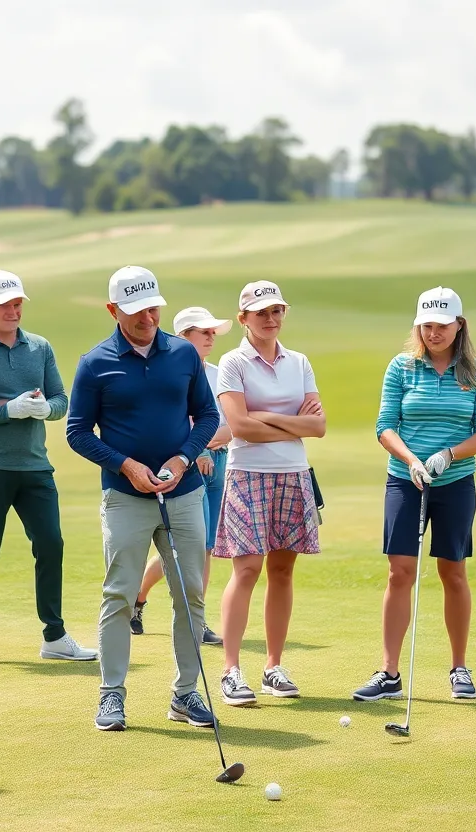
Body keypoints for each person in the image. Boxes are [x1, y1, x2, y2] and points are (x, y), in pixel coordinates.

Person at [67, 265, 220, 732]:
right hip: (125, 497)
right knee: (118, 595)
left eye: (154, 308)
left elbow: (208, 416)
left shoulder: (183, 355)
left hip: (184, 492)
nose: (148, 318)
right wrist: (125, 465)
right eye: (137, 311)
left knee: (190, 595)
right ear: (114, 310)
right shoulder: (95, 363)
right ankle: (112, 695)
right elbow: (76, 431)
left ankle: (185, 694)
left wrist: (183, 459)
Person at [352, 287, 476, 704]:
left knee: (453, 571)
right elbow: (384, 425)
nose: (433, 333)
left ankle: (459, 668)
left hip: (455, 481)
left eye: (442, 326)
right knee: (400, 572)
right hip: (405, 478)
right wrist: (413, 460)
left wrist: (448, 455)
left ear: (459, 326)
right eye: (427, 326)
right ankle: (389, 673)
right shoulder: (402, 367)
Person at [0, 270, 97, 665]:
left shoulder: (40, 348)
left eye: (17, 304)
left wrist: (45, 408)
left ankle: (55, 635)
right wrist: (7, 410)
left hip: (35, 467)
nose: (14, 311)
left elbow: (62, 400)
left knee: (51, 545)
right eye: (5, 305)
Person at [213, 281, 326, 706]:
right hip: (248, 475)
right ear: (243, 319)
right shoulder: (232, 361)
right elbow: (239, 427)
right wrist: (287, 421)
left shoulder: (299, 362)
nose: (271, 318)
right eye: (261, 312)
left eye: (277, 311)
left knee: (282, 571)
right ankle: (231, 670)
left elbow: (318, 426)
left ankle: (273, 667)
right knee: (246, 571)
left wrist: (264, 416)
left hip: (293, 474)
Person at [130, 306, 233, 645]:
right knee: (184, 547)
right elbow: (177, 424)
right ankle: (146, 598)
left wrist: (210, 443)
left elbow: (233, 425)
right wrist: (198, 450)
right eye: (204, 332)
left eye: (212, 332)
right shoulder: (173, 371)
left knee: (205, 547)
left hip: (220, 463)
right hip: (185, 467)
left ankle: (187, 615)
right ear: (185, 336)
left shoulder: (220, 373)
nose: (211, 337)